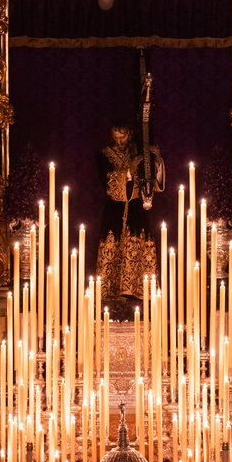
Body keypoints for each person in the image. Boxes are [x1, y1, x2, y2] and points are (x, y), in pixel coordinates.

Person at [95, 79, 165, 302]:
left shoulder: (140, 151)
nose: (119, 140)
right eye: (115, 136)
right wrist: (127, 171)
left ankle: (139, 290)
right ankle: (111, 292)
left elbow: (154, 181)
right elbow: (107, 183)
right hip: (115, 210)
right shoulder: (105, 154)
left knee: (139, 243)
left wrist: (155, 159)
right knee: (113, 245)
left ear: (130, 134)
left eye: (123, 136)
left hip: (136, 208)